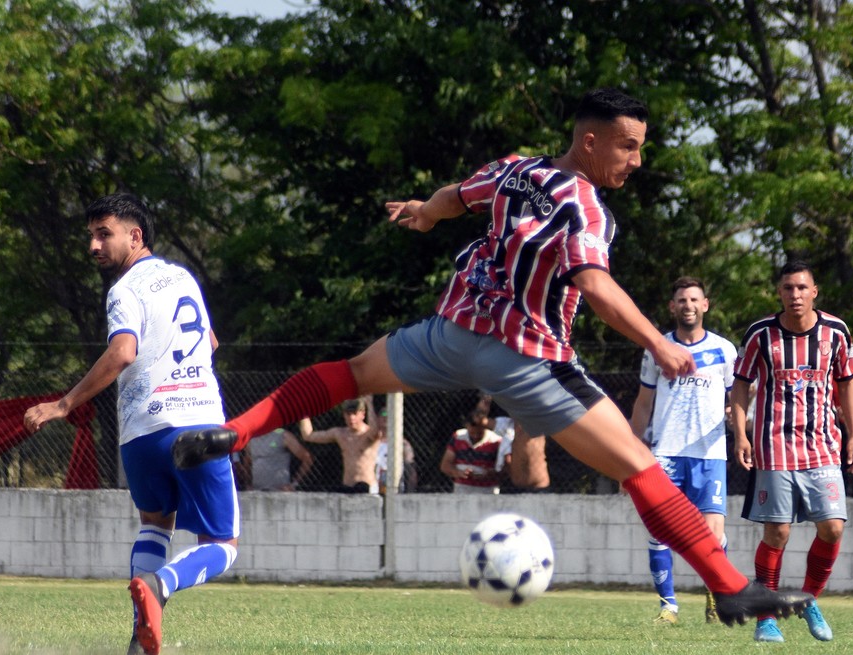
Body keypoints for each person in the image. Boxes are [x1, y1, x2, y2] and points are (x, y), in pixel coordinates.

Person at [171, 87, 811, 626]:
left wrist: (423, 213)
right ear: (590, 141)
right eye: (629, 145)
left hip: (450, 335)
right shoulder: (585, 204)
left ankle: (234, 432)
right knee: (641, 467)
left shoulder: (515, 170)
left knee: (352, 373)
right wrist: (658, 341)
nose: (636, 160)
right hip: (525, 358)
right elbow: (594, 284)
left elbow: (457, 195)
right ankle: (729, 586)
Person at [22, 193, 238, 655]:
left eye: (104, 234)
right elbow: (210, 343)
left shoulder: (123, 290)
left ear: (135, 236)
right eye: (92, 236)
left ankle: (138, 641)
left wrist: (64, 403)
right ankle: (160, 587)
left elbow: (124, 351)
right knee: (223, 544)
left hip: (141, 434)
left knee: (155, 525)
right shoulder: (183, 277)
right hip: (196, 423)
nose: (94, 246)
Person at [730, 260, 853, 643]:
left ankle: (808, 599)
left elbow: (848, 383)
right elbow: (740, 385)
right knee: (777, 532)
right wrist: (741, 434)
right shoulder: (761, 334)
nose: (795, 295)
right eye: (788, 288)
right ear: (780, 293)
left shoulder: (836, 332)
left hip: (823, 444)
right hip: (774, 446)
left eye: (802, 288)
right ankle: (765, 617)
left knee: (833, 527)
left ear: (814, 291)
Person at [628, 276, 736, 625]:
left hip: (711, 453)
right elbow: (643, 405)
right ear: (672, 307)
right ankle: (668, 607)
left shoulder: (725, 350)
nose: (688, 305)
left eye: (694, 299)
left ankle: (715, 599)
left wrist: (741, 426)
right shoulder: (657, 349)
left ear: (705, 305)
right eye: (681, 300)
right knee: (659, 530)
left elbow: (739, 400)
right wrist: (629, 453)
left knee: (712, 533)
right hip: (666, 453)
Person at [299, 397, 380, 494]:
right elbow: (308, 435)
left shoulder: (368, 434)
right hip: (347, 486)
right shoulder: (340, 434)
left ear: (362, 415)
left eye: (354, 414)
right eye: (348, 414)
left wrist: (369, 404)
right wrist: (303, 410)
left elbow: (375, 432)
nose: (351, 418)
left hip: (367, 486)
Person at [441, 406, 504, 494]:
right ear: (466, 426)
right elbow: (445, 465)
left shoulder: (496, 441)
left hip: (488, 491)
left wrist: (489, 474)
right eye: (472, 433)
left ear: (485, 427)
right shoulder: (458, 436)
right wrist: (458, 473)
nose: (475, 436)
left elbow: (503, 471)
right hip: (461, 489)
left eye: (479, 433)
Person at [240, 427, 313, 491]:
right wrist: (248, 484)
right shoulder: (251, 438)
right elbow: (247, 463)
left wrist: (294, 484)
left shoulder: (283, 435)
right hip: (257, 492)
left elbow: (307, 458)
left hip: (280, 493)